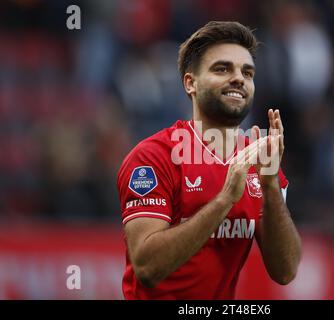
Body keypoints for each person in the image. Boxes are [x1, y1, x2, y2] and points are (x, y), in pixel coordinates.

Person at [116, 21, 302, 300]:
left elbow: (285, 270)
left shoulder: (259, 161)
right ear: (190, 83)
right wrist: (225, 199)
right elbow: (147, 267)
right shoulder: (153, 158)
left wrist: (271, 185)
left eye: (247, 72)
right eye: (222, 68)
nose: (239, 78)